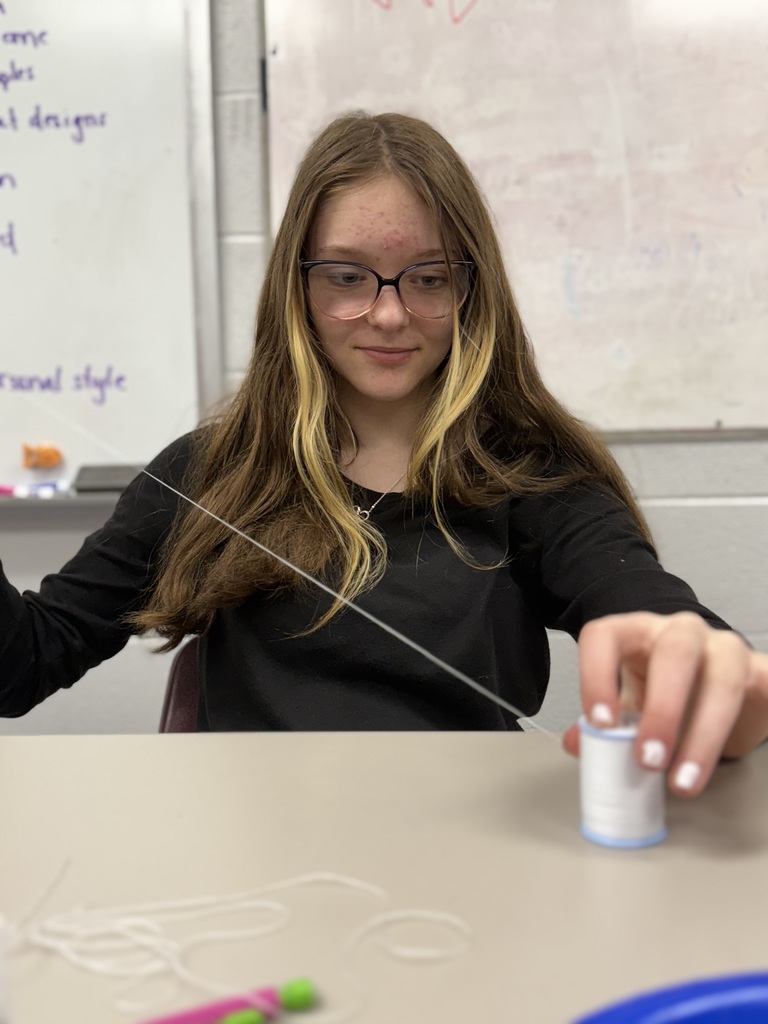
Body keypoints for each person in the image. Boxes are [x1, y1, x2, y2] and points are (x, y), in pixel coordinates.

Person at [1, 112, 766, 795]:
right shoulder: (211, 471)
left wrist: (699, 668)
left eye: (428, 278)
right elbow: (23, 663)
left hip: (465, 890)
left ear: (473, 287)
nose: (391, 314)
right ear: (296, 287)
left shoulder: (531, 478)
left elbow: (654, 612)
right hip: (250, 887)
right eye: (346, 277)